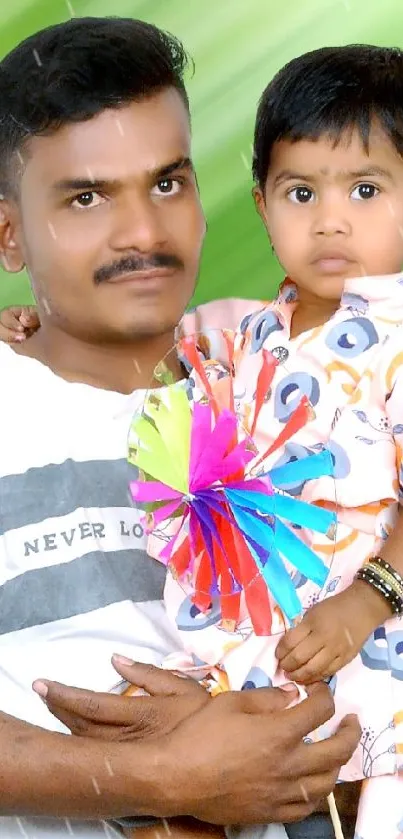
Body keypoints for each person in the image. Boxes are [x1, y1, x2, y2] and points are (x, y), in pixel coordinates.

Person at [0, 17, 360, 839]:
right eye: (86, 197)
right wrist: (167, 775)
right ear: (8, 233)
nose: (144, 233)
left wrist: (259, 727)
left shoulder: (290, 393)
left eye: (166, 182)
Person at [126, 44, 403, 839]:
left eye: (364, 188)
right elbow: (141, 350)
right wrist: (33, 327)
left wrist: (368, 597)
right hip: (248, 661)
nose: (329, 219)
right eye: (299, 191)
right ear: (260, 204)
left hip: (370, 656)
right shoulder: (245, 327)